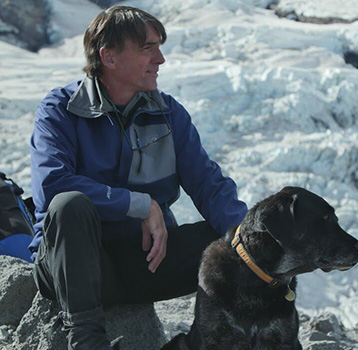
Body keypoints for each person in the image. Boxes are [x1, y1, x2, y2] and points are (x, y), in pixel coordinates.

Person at [29, 6, 247, 350]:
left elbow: (208, 183)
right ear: (109, 57)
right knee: (69, 205)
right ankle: (86, 342)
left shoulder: (168, 112)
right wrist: (139, 204)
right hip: (74, 266)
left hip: (145, 262)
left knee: (228, 244)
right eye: (147, 48)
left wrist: (249, 243)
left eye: (159, 47)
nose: (160, 59)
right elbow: (53, 185)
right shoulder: (60, 109)